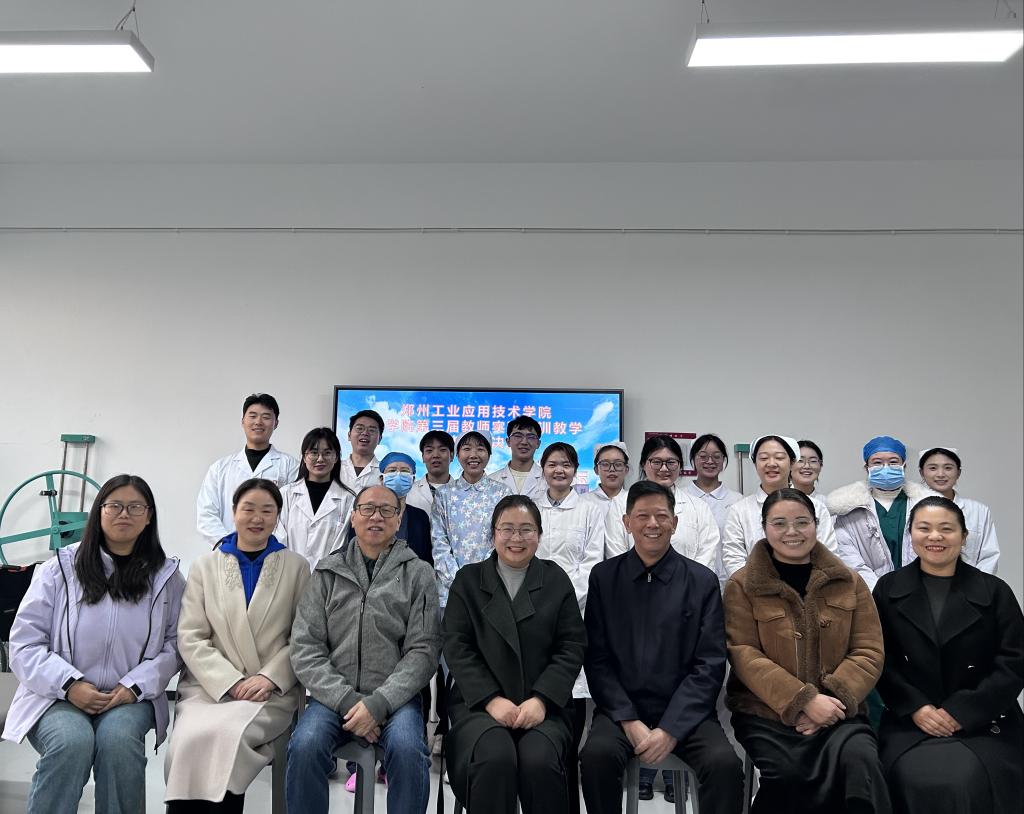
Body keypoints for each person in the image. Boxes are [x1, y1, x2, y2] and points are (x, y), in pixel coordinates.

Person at [3, 474, 185, 814]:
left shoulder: (167, 578)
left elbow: (175, 646)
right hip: (55, 696)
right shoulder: (59, 569)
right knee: (71, 743)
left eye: (135, 507)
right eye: (114, 505)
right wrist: (69, 685)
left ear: (149, 516)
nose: (124, 514)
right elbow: (25, 642)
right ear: (99, 512)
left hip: (129, 697)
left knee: (118, 743)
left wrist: (133, 687)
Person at [580, 481, 744, 814]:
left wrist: (671, 728)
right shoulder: (604, 577)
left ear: (675, 523)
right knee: (595, 758)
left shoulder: (701, 581)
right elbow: (596, 659)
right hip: (621, 712)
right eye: (642, 516)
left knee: (725, 766)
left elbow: (710, 663)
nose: (652, 524)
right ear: (627, 523)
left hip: (686, 713)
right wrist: (628, 720)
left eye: (661, 516)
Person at [724, 488, 890, 814]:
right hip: (767, 714)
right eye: (779, 523)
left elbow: (868, 650)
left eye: (802, 522)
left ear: (816, 524)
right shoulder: (743, 585)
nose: (792, 532)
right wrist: (803, 701)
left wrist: (829, 702)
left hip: (838, 711)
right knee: (788, 776)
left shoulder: (849, 581)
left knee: (862, 764)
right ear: (764, 527)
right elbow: (743, 653)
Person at [287, 484, 441, 814]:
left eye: (387, 510)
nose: (376, 517)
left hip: (395, 699)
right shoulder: (327, 571)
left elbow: (424, 650)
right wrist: (349, 702)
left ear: (399, 519)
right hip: (334, 697)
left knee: (409, 751)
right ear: (353, 517)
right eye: (368, 509)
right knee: (304, 745)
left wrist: (378, 704)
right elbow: (305, 646)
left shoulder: (418, 573)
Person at [165, 479, 310, 812]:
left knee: (228, 737)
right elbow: (191, 635)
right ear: (234, 512)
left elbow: (304, 637)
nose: (257, 518)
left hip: (268, 692)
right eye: (248, 509)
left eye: (267, 510)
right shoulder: (205, 566)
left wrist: (269, 678)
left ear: (277, 517)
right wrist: (229, 681)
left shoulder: (296, 567)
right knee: (188, 739)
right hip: (209, 688)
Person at [873, 496, 1022, 814]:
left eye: (946, 529)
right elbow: (879, 659)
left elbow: (1013, 662)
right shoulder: (888, 589)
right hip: (910, 720)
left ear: (964, 536)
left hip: (984, 720)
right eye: (924, 528)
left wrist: (962, 711)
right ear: (911, 534)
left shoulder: (995, 591)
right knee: (906, 777)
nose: (935, 536)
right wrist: (916, 707)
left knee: (969, 779)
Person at [442, 494, 586, 814]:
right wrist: (491, 700)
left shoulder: (555, 580)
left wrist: (542, 700)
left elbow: (571, 646)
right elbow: (456, 645)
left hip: (544, 708)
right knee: (494, 757)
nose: (516, 538)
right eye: (507, 529)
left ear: (539, 535)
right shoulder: (468, 580)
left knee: (540, 760)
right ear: (493, 534)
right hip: (478, 706)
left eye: (526, 529)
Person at [533, 442, 607, 807]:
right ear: (543, 469)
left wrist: (558, 600)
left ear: (576, 470)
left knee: (571, 703)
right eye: (552, 464)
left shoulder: (591, 510)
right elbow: (522, 555)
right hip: (532, 614)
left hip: (575, 612)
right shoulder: (530, 506)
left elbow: (592, 563)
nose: (558, 470)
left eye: (565, 464)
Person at [826, 435, 935, 590]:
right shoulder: (847, 509)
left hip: (920, 590)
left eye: (893, 462)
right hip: (869, 592)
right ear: (867, 468)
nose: (886, 468)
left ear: (904, 466)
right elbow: (849, 558)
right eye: (877, 463)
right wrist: (878, 591)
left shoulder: (927, 505)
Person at [604, 435, 720, 578]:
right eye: (656, 462)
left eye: (671, 462)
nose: (664, 469)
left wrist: (685, 584)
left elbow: (707, 554)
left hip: (687, 587)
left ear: (680, 466)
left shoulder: (699, 507)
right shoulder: (620, 504)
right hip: (632, 585)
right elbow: (617, 555)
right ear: (643, 464)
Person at [722, 434, 837, 577]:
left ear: (792, 462)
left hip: (809, 586)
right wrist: (756, 586)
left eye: (779, 457)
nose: (771, 463)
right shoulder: (740, 510)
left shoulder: (816, 507)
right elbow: (733, 558)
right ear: (755, 464)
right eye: (764, 458)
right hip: (754, 587)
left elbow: (828, 555)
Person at [196, 393, 299, 545]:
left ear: (276, 423)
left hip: (273, 551)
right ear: (243, 421)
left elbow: (293, 516)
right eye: (252, 416)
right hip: (227, 551)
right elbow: (206, 514)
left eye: (266, 417)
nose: (258, 422)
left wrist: (269, 547)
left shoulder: (290, 466)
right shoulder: (219, 468)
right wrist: (229, 545)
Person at [432, 429, 513, 610]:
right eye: (467, 449)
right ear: (457, 454)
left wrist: (483, 579)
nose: (473, 455)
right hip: (451, 591)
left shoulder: (502, 493)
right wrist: (459, 582)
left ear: (489, 454)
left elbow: (504, 539)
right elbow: (439, 544)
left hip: (491, 588)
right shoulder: (443, 494)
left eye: (481, 449)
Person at [276, 427, 356, 570]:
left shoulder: (348, 499)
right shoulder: (286, 494)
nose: (320, 459)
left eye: (327, 453)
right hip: (289, 572)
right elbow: (279, 538)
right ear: (304, 457)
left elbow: (342, 545)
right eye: (314, 453)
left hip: (329, 576)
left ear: (336, 457)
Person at [917, 447, 999, 573]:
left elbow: (989, 556)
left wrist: (976, 583)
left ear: (958, 472)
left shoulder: (978, 511)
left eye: (948, 468)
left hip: (971, 582)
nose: (940, 474)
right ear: (922, 472)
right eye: (933, 468)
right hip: (919, 581)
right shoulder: (911, 509)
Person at [683, 433, 742, 536]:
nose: (710, 461)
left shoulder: (737, 500)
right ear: (693, 459)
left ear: (723, 460)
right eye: (703, 456)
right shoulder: (680, 497)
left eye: (716, 456)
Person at [488, 415, 545, 500]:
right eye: (518, 436)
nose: (524, 442)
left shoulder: (548, 480)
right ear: (508, 441)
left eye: (531, 437)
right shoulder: (491, 480)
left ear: (538, 444)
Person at [407, 429, 455, 516]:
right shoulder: (409, 491)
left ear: (451, 456)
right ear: (423, 457)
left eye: (442, 450)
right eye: (429, 450)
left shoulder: (464, 492)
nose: (436, 455)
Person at [340, 409, 384, 492]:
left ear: (380, 439)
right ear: (349, 435)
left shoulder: (385, 473)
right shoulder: (334, 469)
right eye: (359, 428)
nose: (365, 433)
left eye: (372, 430)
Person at [580, 441, 630, 507]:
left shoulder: (634, 500)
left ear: (626, 469)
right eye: (605, 464)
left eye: (618, 464)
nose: (612, 469)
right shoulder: (582, 501)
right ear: (596, 470)